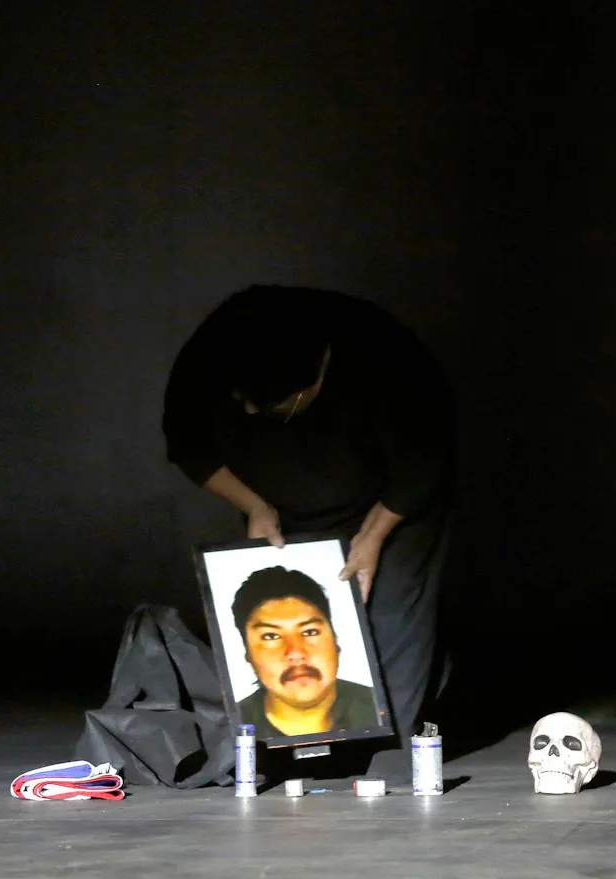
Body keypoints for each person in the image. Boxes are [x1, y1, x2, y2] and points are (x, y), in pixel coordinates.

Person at [164, 285, 456, 775]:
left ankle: (387, 746)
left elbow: (426, 459)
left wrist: (375, 535)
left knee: (390, 608)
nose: (253, 413)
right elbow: (186, 442)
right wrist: (255, 507)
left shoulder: (389, 361)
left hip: (389, 498)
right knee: (284, 604)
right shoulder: (217, 347)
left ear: (315, 380)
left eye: (273, 405)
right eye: (245, 402)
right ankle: (294, 750)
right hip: (280, 500)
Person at [230, 566, 383, 737]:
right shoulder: (230, 730)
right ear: (248, 654)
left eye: (310, 632)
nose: (295, 653)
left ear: (336, 641)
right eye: (271, 636)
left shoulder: (383, 709)